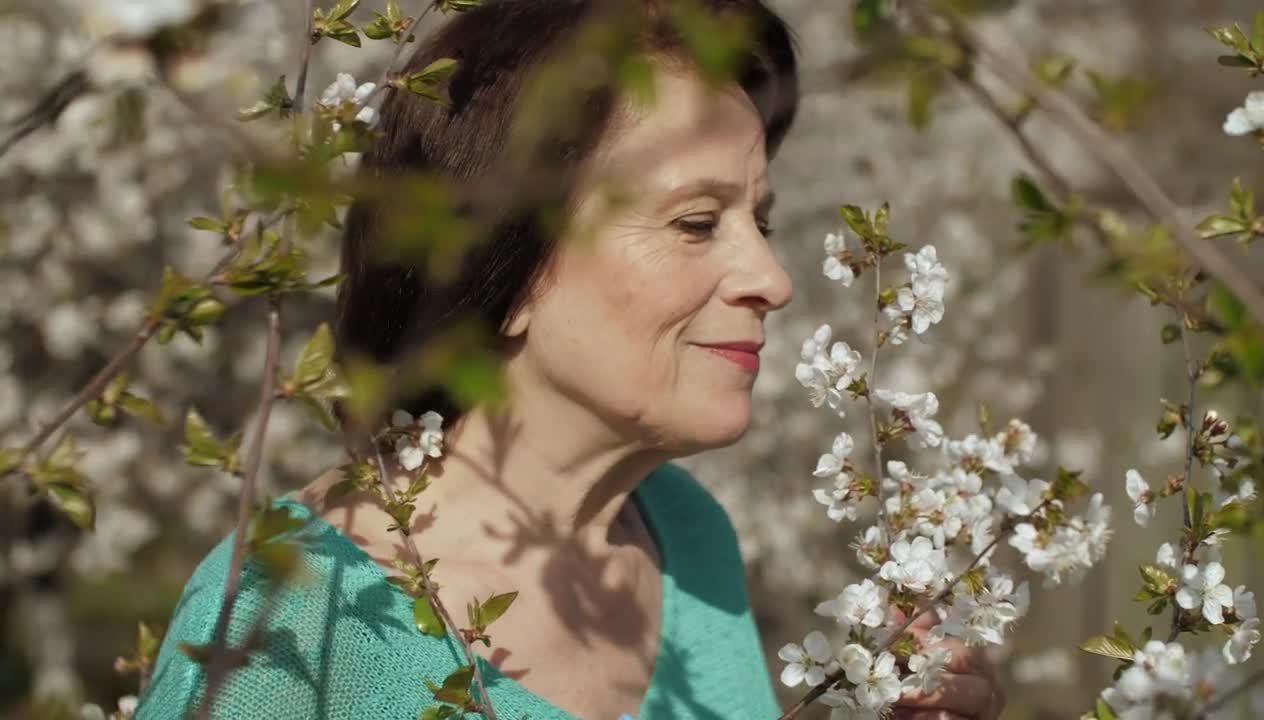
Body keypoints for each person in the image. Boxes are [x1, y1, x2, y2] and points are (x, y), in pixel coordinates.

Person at [137, 0, 1004, 718]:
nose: (772, 279)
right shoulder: (291, 632)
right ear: (505, 266)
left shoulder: (686, 537)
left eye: (760, 222)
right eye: (696, 223)